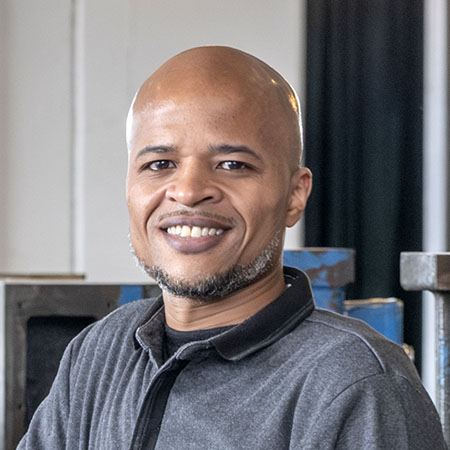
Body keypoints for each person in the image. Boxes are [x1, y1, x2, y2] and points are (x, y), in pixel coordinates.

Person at [18, 46, 446, 450]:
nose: (188, 191)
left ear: (295, 195)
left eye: (232, 164)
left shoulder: (357, 383)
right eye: (160, 164)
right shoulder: (99, 352)